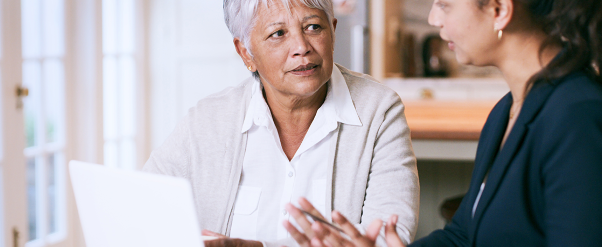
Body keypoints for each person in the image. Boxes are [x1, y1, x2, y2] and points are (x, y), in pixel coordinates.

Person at [283, 0, 602, 246]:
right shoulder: (508, 111)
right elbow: (464, 237)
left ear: (499, 10)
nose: (433, 19)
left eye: (445, 4)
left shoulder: (578, 118)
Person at [143, 0, 420, 246]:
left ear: (333, 31)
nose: (301, 47)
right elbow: (141, 207)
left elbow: (389, 235)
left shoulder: (379, 110)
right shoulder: (207, 121)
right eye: (278, 34)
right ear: (246, 53)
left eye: (313, 27)